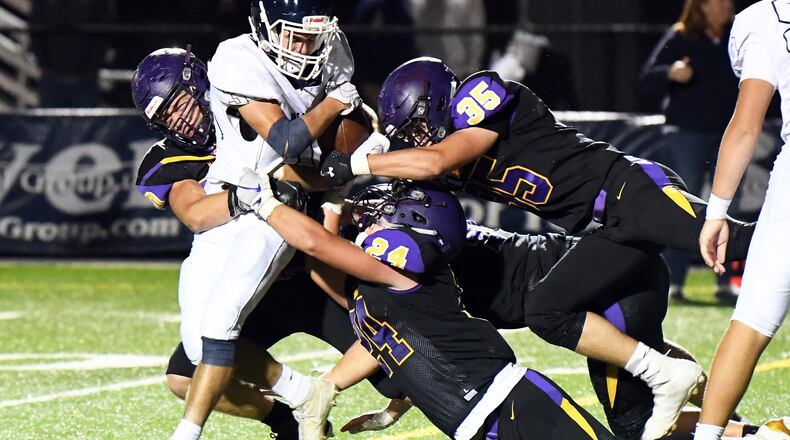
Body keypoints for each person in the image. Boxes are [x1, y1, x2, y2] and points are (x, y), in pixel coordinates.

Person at [320, 57, 757, 440]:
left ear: (437, 101)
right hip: (605, 230)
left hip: (628, 190)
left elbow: (432, 161)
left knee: (736, 242)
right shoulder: (435, 164)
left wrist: (354, 164)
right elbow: (410, 164)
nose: (418, 139)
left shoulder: (478, 100)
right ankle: (702, 397)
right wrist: (361, 160)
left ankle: (669, 375)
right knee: (617, 405)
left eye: (418, 125)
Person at [244, 178, 622, 440]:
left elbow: (317, 247)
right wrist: (375, 404)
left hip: (511, 402)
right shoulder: (378, 290)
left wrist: (263, 202)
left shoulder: (411, 256)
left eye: (387, 211)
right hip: (470, 424)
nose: (374, 214)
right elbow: (379, 333)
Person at [130, 45, 360, 438]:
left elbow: (313, 173)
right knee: (187, 372)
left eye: (179, 105)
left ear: (198, 80)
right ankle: (287, 415)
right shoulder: (169, 158)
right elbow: (197, 214)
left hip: (314, 270)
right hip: (255, 279)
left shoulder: (246, 102)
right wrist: (249, 193)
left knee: (397, 371)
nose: (181, 121)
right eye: (168, 117)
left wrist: (286, 177)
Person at [694, 1, 790, 439]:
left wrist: (717, 212)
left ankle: (707, 435)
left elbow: (746, 126)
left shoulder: (767, 18)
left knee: (752, 320)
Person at [639, 0, 739, 302]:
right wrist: (671, 71)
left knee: (728, 206)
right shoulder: (681, 36)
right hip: (687, 133)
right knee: (685, 206)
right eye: (721, 1)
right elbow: (647, 78)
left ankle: (726, 281)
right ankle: (674, 282)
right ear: (704, 6)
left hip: (727, 134)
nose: (728, 6)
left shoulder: (737, 36)